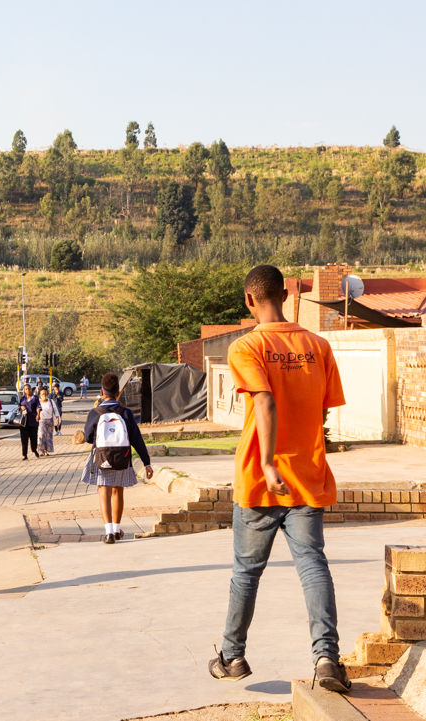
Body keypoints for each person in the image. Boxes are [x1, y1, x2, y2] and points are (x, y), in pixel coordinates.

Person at [208, 265, 351, 694]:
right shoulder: (319, 346)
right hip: (306, 475)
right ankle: (326, 659)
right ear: (286, 295)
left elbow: (265, 401)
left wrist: (269, 463)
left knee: (246, 572)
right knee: (313, 566)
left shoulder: (246, 347)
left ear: (250, 300)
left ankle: (232, 657)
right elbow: (322, 410)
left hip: (258, 477)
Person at [83, 372, 153, 544]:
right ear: (119, 392)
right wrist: (147, 463)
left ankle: (108, 533)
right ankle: (116, 529)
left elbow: (86, 437)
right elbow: (137, 439)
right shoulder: (126, 413)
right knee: (117, 491)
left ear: (101, 391)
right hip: (122, 457)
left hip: (101, 456)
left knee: (103, 491)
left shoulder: (95, 412)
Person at [18, 384, 40, 460]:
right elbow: (18, 407)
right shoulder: (22, 398)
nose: (28, 390)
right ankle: (25, 455)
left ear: (31, 389)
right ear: (24, 390)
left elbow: (38, 407)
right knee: (24, 439)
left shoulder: (35, 398)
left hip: (33, 421)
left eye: (29, 389)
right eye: (26, 389)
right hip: (24, 422)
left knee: (33, 438)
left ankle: (34, 450)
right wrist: (21, 407)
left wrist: (38, 415)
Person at [36, 387, 59, 456]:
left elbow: (56, 410)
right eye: (42, 394)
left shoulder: (51, 401)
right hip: (41, 421)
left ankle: (46, 451)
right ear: (39, 394)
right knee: (41, 435)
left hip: (50, 421)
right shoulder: (38, 402)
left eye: (45, 393)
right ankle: (41, 450)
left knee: (48, 436)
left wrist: (57, 419)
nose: (44, 395)